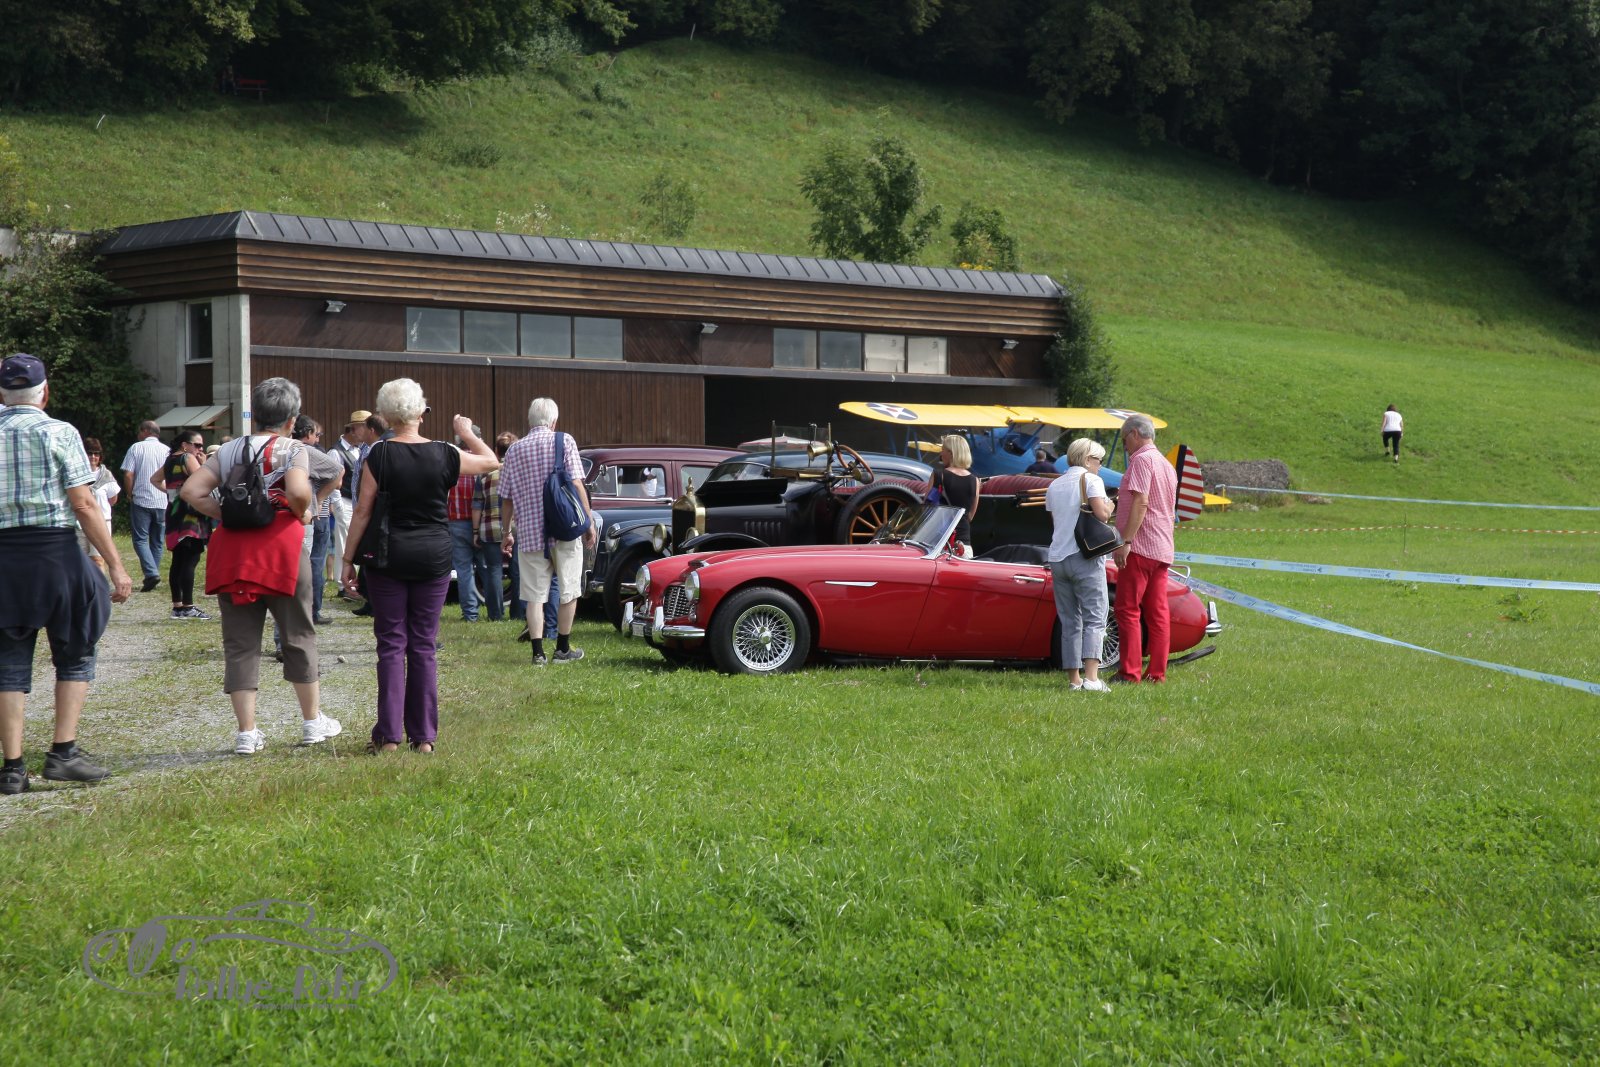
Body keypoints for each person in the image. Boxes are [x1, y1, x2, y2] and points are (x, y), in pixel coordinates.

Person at [181, 378, 343, 755]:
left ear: (254, 414)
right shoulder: (293, 448)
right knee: (298, 634)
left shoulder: (229, 449)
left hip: (232, 553)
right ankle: (311, 722)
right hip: (280, 550)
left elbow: (191, 491)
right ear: (292, 420)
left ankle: (246, 733)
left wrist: (228, 513)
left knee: (240, 644)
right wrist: (302, 513)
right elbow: (299, 490)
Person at [339, 379, 497, 754]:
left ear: (385, 415)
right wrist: (465, 432)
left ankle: (389, 737)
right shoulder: (445, 453)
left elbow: (362, 510)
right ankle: (424, 737)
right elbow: (491, 461)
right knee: (423, 645)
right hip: (434, 555)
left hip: (388, 555)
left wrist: (347, 559)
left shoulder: (378, 454)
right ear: (421, 414)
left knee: (391, 644)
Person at [0, 353, 133, 795]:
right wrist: (115, 564)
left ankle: (12, 767)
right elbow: (83, 503)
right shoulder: (60, 432)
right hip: (55, 553)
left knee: (8, 662)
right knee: (76, 649)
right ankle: (63, 753)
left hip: (4, 558)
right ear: (45, 392)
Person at [499, 397, 598, 666]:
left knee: (534, 596)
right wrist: (588, 521)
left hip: (530, 532)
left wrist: (506, 532)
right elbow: (576, 483)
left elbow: (506, 498)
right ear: (553, 421)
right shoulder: (564, 441)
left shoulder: (514, 450)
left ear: (529, 421)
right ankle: (562, 649)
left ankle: (538, 653)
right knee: (569, 590)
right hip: (565, 529)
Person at [1111, 414, 1178, 683]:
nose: (1125, 446)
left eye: (1124, 439)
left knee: (1127, 609)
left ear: (1135, 434)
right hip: (1162, 547)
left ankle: (1129, 672)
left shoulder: (1141, 460)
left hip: (1140, 546)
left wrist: (1126, 541)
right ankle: (1157, 673)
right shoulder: (1165, 464)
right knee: (1158, 613)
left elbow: (1141, 502)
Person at [1045, 438, 1114, 692]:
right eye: (1098, 460)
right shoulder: (1092, 480)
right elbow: (1102, 515)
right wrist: (1110, 505)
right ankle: (1092, 678)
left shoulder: (1054, 485)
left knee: (1070, 620)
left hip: (1058, 557)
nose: (1100, 465)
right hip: (1084, 556)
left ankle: (1074, 680)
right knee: (1095, 616)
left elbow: (1055, 521)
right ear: (1086, 460)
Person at [152, 429, 212, 619]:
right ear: (185, 445)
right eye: (197, 445)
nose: (200, 449)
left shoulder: (170, 460)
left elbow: (155, 479)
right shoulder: (187, 458)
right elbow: (203, 481)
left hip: (174, 514)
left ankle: (177, 606)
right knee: (190, 560)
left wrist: (173, 494)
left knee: (178, 560)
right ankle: (188, 606)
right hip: (191, 517)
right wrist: (204, 464)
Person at [120, 419, 169, 591]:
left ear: (145, 431)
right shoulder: (166, 450)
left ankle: (151, 573)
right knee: (157, 541)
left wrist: (129, 493)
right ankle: (152, 574)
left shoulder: (136, 448)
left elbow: (128, 474)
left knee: (140, 539)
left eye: (139, 431)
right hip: (162, 500)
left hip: (141, 498)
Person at [471, 433, 512, 623]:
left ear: (496, 451)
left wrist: (475, 531)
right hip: (516, 528)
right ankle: (519, 612)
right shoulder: (518, 471)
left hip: (489, 528)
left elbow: (477, 505)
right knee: (518, 571)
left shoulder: (485, 474)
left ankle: (495, 614)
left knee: (494, 569)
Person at [328, 411, 370, 584]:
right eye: (364, 427)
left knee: (355, 542)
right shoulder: (335, 452)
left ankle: (355, 580)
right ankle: (341, 583)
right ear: (353, 429)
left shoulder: (360, 449)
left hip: (357, 503)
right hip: (345, 502)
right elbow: (332, 481)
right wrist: (338, 505)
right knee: (343, 543)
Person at [446, 425, 483, 622]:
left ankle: (470, 613)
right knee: (488, 568)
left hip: (456, 521)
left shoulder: (451, 462)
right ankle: (495, 610)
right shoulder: (482, 462)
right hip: (482, 523)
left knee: (464, 570)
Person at [76, 437, 121, 576]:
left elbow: (113, 499)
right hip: (79, 523)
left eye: (96, 453)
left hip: (101, 523)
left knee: (98, 560)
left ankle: (100, 587)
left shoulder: (106, 475)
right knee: (79, 561)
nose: (93, 457)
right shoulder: (76, 474)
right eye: (89, 453)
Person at [931, 434, 980, 558]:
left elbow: (928, 508)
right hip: (964, 546)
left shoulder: (939, 475)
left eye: (943, 450)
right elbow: (970, 516)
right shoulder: (975, 480)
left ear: (951, 453)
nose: (941, 454)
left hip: (939, 545)